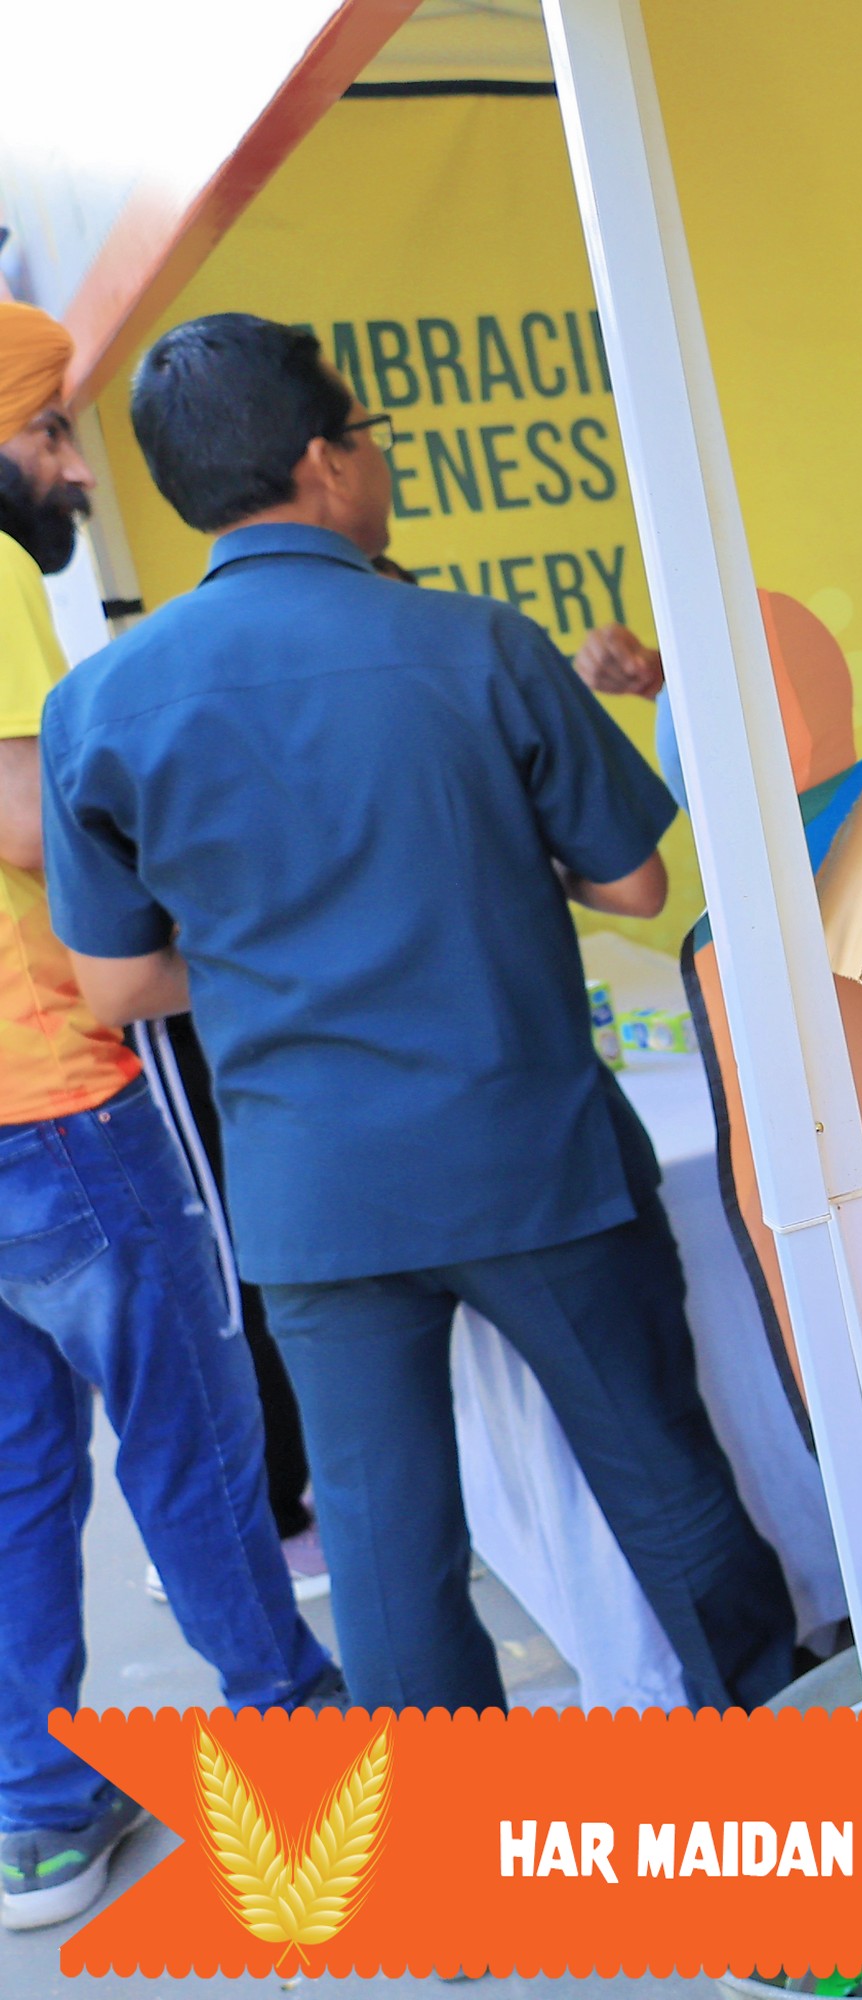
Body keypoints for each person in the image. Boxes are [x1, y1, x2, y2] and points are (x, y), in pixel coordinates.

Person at [41, 312, 796, 1712]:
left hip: (314, 1193)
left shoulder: (98, 705)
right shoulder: (478, 644)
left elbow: (122, 984)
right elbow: (634, 883)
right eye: (369, 440)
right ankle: (773, 1746)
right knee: (661, 1474)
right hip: (534, 1156)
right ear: (324, 462)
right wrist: (479, 881)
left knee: (390, 1558)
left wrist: (272, 948)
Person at [0, 302, 335, 1933]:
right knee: (195, 1439)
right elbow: (18, 810)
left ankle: (39, 1819)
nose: (70, 468)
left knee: (15, 1479)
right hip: (56, 1098)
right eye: (45, 431)